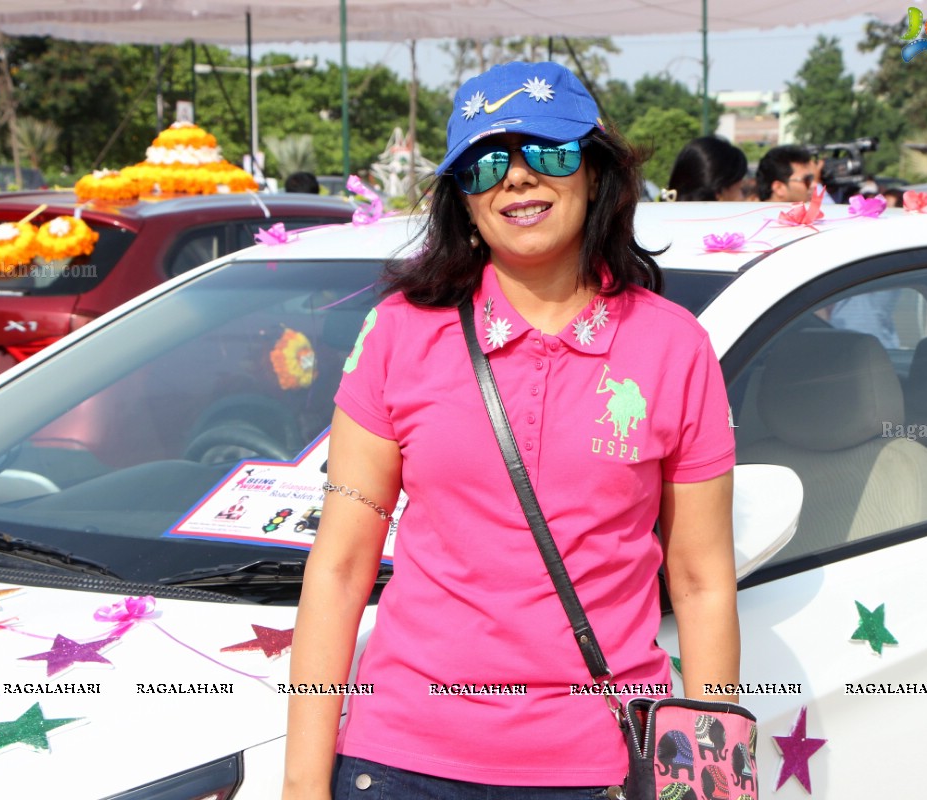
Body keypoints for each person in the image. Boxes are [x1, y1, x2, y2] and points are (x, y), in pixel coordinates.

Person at [283, 61, 739, 800]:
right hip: (403, 763)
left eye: (550, 153)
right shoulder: (398, 334)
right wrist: (303, 785)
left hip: (605, 763)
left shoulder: (672, 346)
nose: (519, 180)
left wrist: (714, 783)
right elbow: (338, 570)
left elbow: (700, 579)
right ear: (462, 199)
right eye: (487, 162)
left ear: (595, 175)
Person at [665, 136, 748, 201]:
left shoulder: (657, 217)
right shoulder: (741, 221)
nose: (743, 198)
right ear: (719, 194)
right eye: (741, 189)